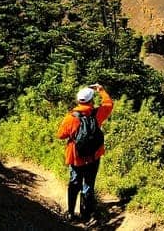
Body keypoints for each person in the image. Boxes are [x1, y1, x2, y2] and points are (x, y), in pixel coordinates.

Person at [56, 83, 113, 222]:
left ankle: (70, 213)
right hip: (94, 156)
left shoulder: (71, 117)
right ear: (91, 101)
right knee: (88, 185)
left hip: (76, 157)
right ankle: (86, 215)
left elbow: (60, 135)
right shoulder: (97, 114)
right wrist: (101, 90)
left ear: (78, 101)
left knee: (74, 182)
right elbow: (109, 104)